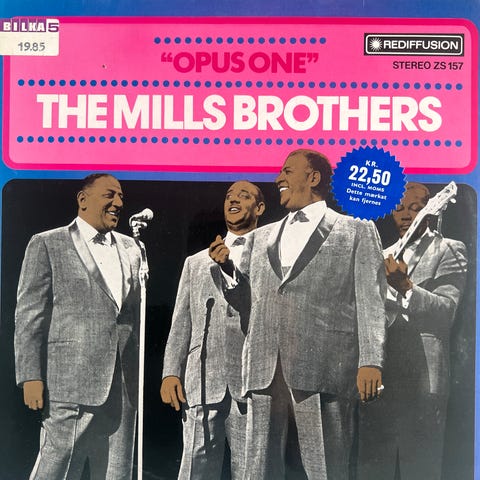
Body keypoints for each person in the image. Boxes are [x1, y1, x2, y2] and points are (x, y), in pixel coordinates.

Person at [210, 150, 387, 479]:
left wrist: (371, 362)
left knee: (326, 470)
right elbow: (246, 302)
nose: (279, 178)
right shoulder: (261, 236)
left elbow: (371, 301)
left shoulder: (356, 230)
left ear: (313, 178)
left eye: (288, 171)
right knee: (257, 471)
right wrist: (229, 272)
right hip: (264, 369)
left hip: (325, 368)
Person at [15, 174, 142, 480]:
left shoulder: (132, 248)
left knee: (116, 474)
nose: (118, 203)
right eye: (109, 195)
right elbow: (29, 315)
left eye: (121, 197)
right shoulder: (47, 243)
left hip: (122, 387)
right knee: (56, 470)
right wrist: (31, 376)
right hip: (69, 383)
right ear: (83, 200)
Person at [358, 182, 468, 480]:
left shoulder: (449, 249)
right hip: (383, 375)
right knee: (375, 467)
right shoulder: (383, 254)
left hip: (423, 377)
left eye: (415, 208)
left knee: (420, 468)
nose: (406, 214)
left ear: (430, 211)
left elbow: (447, 311)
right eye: (399, 208)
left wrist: (406, 286)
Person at [161, 181, 265, 479]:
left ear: (259, 208)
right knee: (196, 468)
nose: (233, 200)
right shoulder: (195, 263)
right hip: (203, 379)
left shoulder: (271, 257)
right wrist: (171, 372)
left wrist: (230, 269)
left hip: (252, 381)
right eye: (229, 196)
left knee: (252, 471)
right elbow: (181, 323)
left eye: (244, 196)